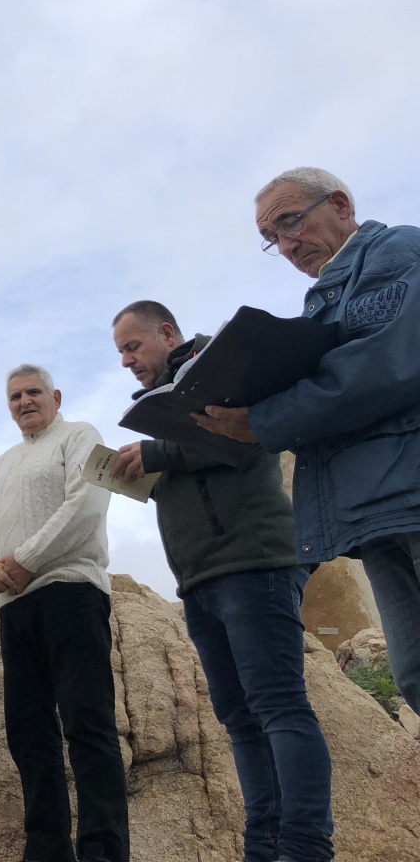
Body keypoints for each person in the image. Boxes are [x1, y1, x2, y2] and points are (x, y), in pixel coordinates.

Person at [111, 301, 333, 862]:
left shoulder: (224, 364)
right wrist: (143, 474)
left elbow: (236, 439)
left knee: (279, 706)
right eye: (121, 353)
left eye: (133, 346)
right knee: (239, 719)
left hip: (253, 560)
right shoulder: (156, 405)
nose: (126, 361)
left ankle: (305, 847)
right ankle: (262, 847)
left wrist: (155, 453)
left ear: (166, 333)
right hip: (199, 576)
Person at [195, 167, 420, 717]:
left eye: (291, 222)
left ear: (340, 205)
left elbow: (384, 364)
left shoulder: (396, 251)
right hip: (379, 514)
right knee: (414, 675)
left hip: (410, 492)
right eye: (271, 238)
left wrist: (266, 418)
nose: (286, 245)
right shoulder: (326, 298)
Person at [0, 365, 128, 862]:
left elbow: (87, 505)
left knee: (88, 725)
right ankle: (46, 850)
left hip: (72, 593)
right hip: (15, 607)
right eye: (15, 396)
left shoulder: (81, 435)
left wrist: (24, 559)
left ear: (56, 397)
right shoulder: (2, 462)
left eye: (33, 392)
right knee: (29, 734)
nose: (24, 401)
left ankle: (103, 851)